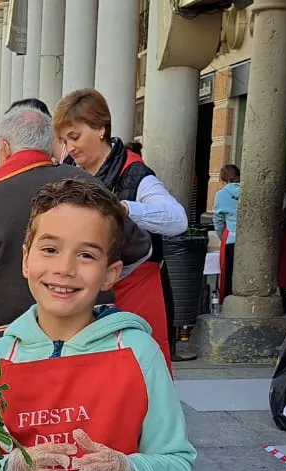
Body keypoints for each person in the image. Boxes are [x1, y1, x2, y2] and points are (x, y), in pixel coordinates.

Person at [0, 179, 195, 471]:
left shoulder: (139, 353)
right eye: (50, 249)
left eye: (86, 255)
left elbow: (177, 464)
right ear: (25, 259)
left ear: (110, 273)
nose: (65, 268)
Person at [0, 101, 152, 332]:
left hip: (18, 337)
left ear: (4, 148)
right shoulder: (88, 182)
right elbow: (139, 250)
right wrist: (90, 282)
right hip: (92, 332)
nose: (62, 272)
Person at [54, 88, 189, 362]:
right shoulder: (68, 168)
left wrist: (125, 208)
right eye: (65, 140)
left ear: (101, 129)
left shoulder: (135, 172)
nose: (69, 147)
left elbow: (177, 220)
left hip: (135, 286)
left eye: (75, 137)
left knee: (141, 365)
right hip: (88, 285)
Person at [212, 165, 241, 296]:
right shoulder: (251, 190)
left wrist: (223, 235)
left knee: (229, 277)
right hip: (252, 240)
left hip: (231, 238)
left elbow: (218, 221)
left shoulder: (221, 194)